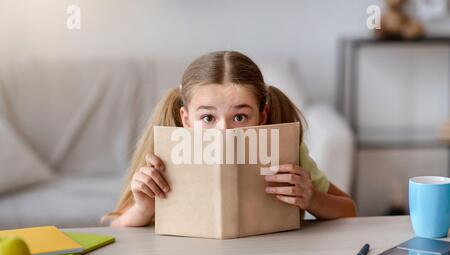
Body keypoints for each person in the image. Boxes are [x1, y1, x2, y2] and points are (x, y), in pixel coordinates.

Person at [105, 51, 356, 227]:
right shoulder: (163, 155)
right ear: (186, 119)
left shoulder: (286, 152)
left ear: (262, 115)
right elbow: (118, 227)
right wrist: (143, 209)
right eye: (207, 118)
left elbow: (349, 210)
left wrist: (313, 199)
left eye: (239, 117)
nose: (223, 132)